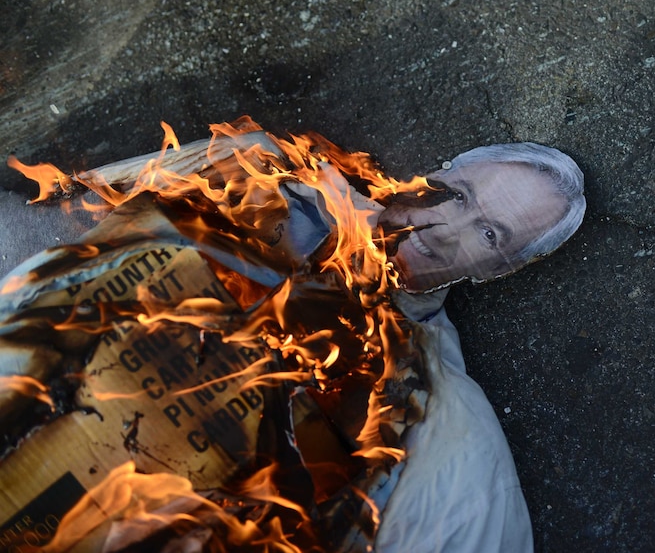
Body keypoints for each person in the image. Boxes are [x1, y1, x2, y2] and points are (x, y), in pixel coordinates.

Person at [0, 127, 586, 552]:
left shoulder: (435, 401)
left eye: (488, 232)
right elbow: (67, 220)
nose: (441, 229)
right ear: (438, 173)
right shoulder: (260, 175)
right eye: (457, 195)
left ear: (497, 269)